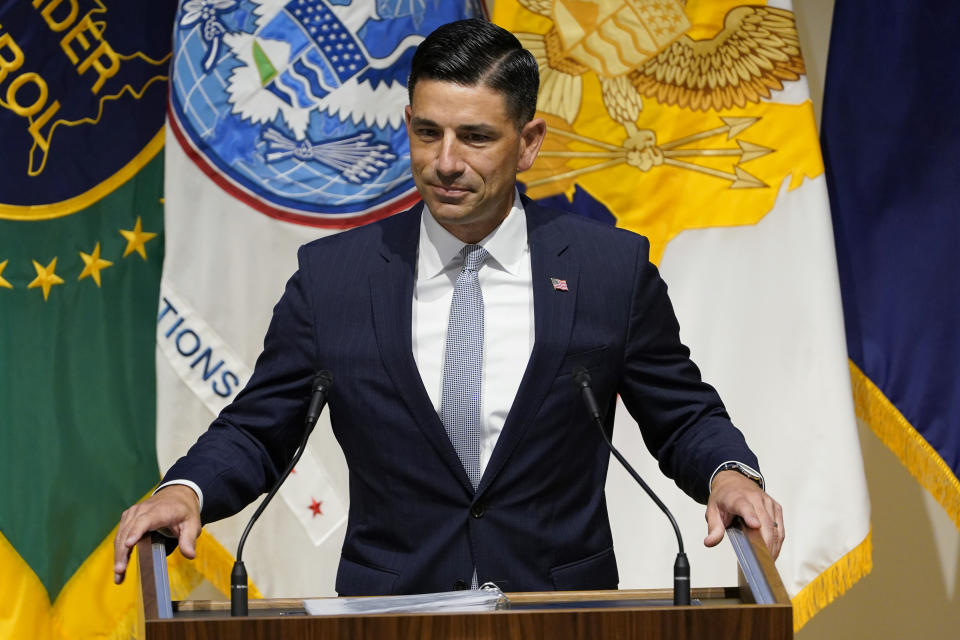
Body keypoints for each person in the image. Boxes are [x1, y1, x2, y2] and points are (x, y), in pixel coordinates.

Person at [114, 18, 783, 595]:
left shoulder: (609, 271)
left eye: (476, 137)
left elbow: (682, 414)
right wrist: (186, 490)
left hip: (557, 616)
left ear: (529, 142)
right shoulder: (335, 279)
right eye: (428, 132)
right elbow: (260, 428)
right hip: (393, 618)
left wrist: (728, 473)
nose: (446, 161)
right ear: (406, 124)